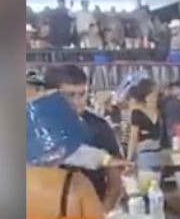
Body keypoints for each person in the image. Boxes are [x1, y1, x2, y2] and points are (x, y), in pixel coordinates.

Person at [44, 64, 125, 210]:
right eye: (69, 95)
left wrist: (101, 215)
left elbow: (115, 183)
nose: (77, 102)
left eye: (82, 94)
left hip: (91, 212)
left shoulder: (99, 126)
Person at [125, 78, 170, 169]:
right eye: (152, 94)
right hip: (148, 154)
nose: (154, 98)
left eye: (155, 95)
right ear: (145, 95)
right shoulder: (138, 112)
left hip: (157, 153)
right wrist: (128, 161)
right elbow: (133, 137)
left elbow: (133, 138)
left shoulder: (160, 111)